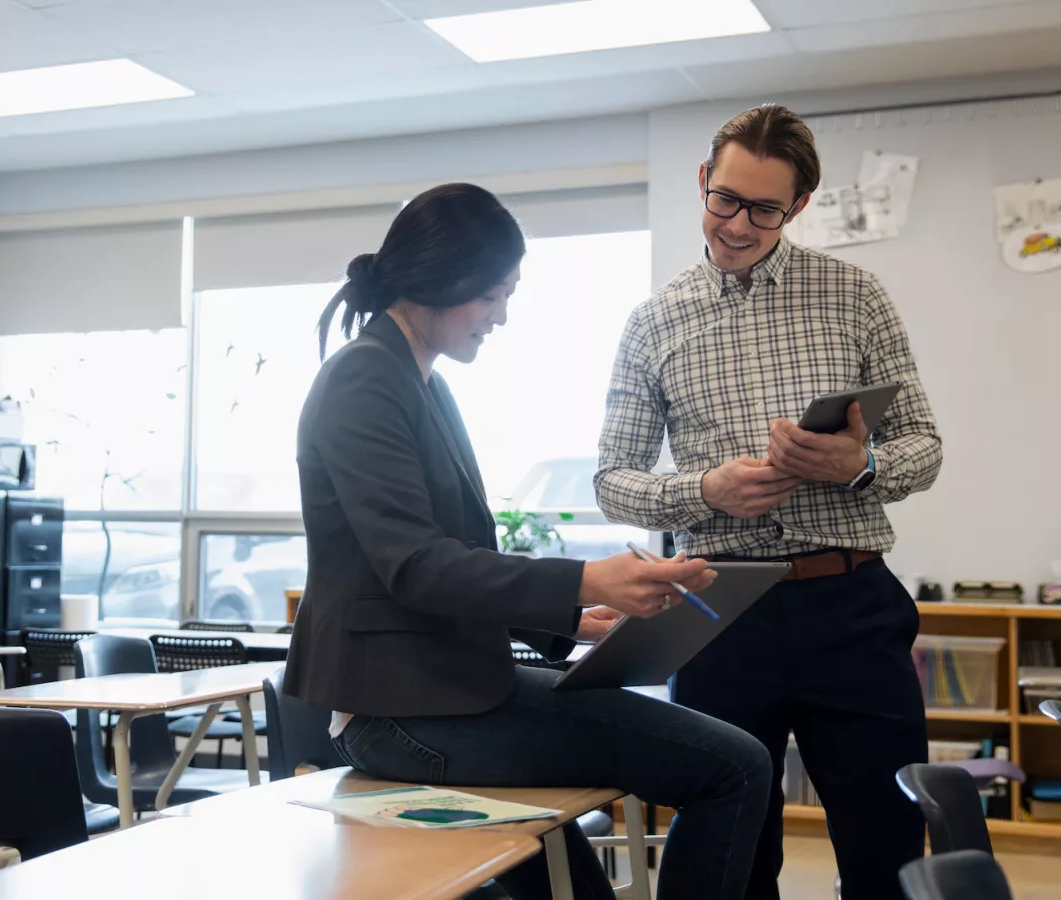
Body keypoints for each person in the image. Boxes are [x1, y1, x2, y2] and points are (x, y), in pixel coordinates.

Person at [284, 183, 771, 900]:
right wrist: (585, 582)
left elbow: (451, 565)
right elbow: (416, 567)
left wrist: (573, 619)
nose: (500, 317)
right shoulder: (365, 381)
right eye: (492, 296)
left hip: (447, 690)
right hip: (401, 713)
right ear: (441, 279)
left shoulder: (420, 383)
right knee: (736, 767)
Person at [594, 105, 943, 900]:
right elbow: (612, 477)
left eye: (763, 209)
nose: (737, 224)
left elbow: (925, 447)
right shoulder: (653, 323)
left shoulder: (855, 294)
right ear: (703, 182)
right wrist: (702, 490)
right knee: (733, 858)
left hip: (850, 607)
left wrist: (858, 464)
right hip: (719, 616)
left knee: (888, 849)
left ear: (799, 207)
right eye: (724, 199)